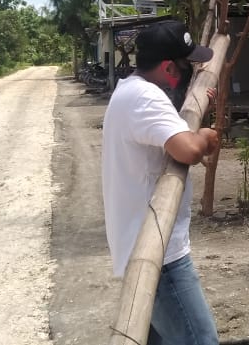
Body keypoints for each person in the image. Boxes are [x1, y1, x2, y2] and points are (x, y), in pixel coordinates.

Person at [101, 20, 221, 344]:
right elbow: (188, 149)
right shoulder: (145, 98)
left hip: (141, 244)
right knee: (201, 341)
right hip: (161, 254)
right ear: (169, 68)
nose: (188, 74)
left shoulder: (129, 90)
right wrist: (205, 137)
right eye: (185, 67)